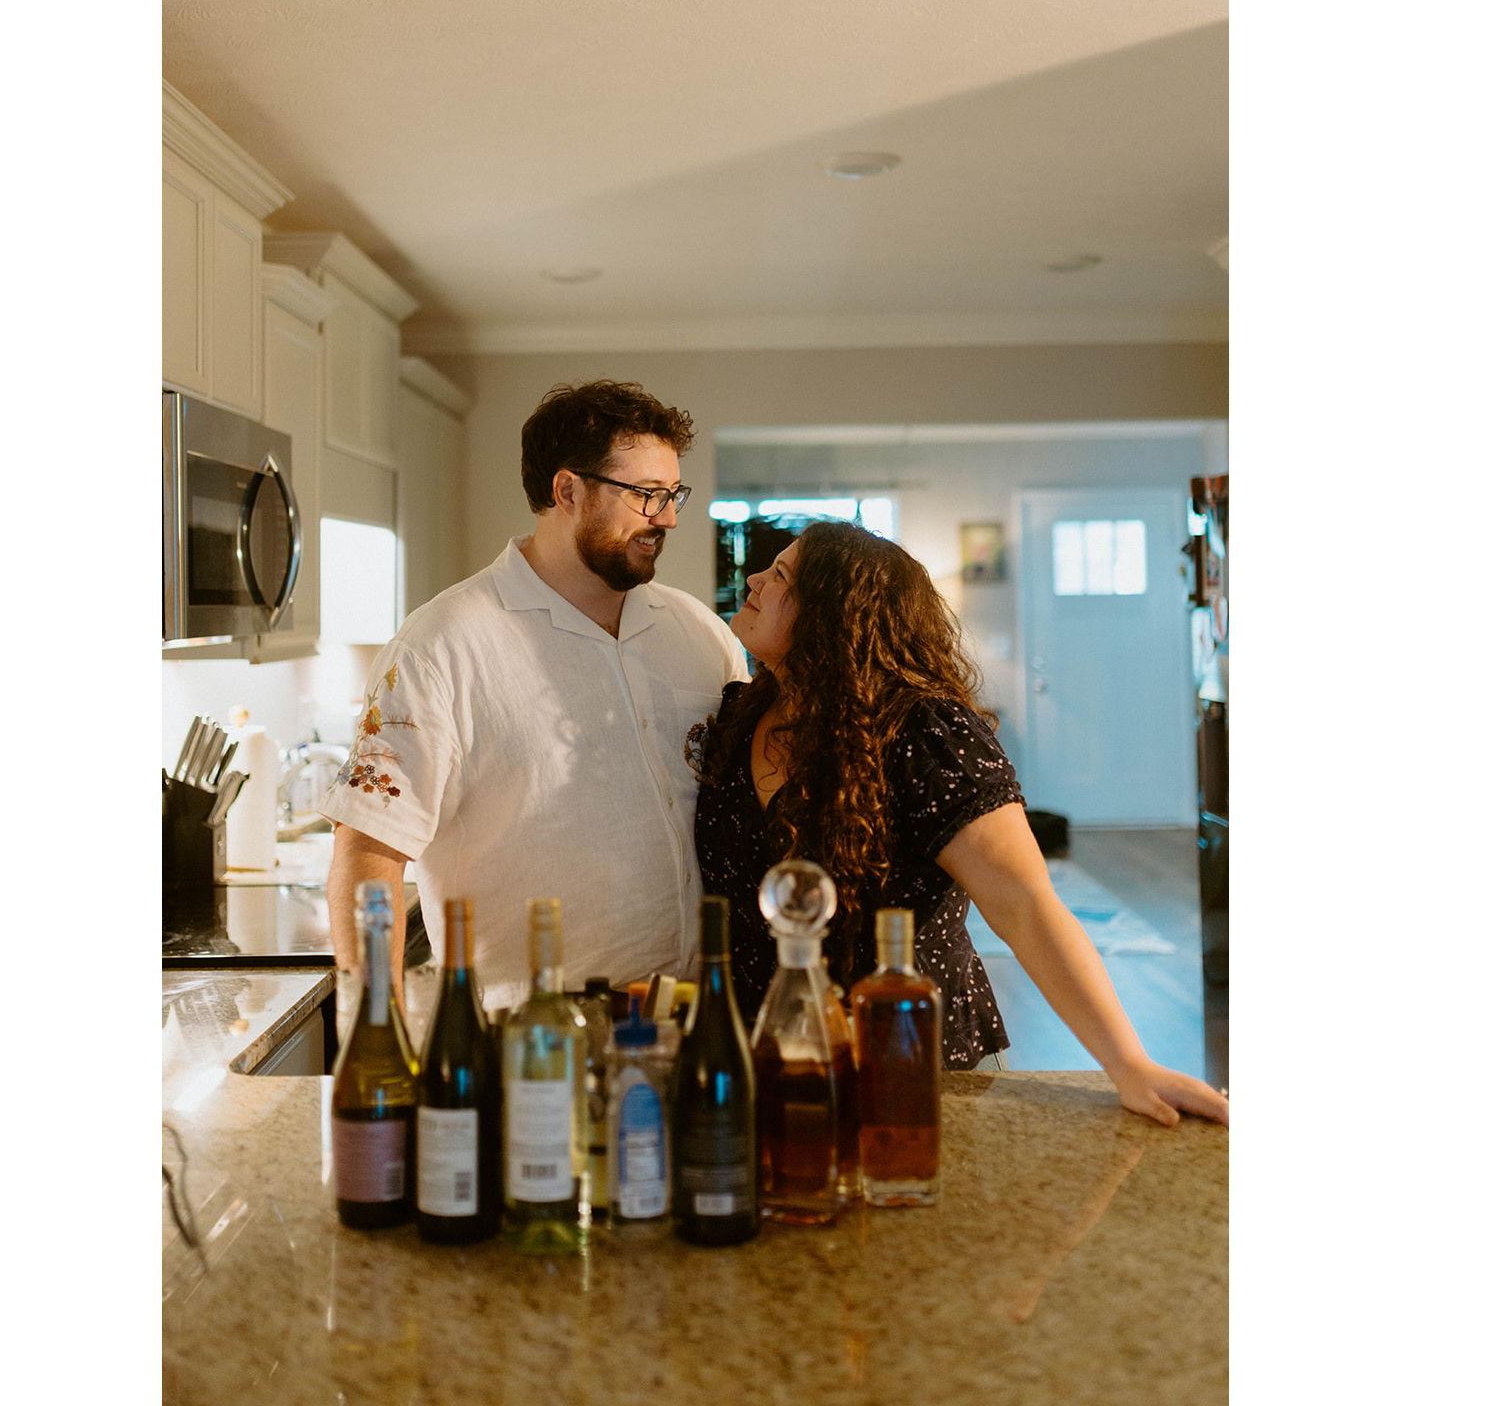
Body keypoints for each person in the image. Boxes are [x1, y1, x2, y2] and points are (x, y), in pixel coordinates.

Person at [693, 520, 1228, 1128]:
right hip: (767, 1061)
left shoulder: (924, 732)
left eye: (781, 576)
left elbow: (1025, 906)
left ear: (832, 617)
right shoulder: (737, 718)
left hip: (919, 1062)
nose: (755, 579)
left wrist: (1130, 1064)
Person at [320, 380, 749, 1008]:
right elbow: (368, 855)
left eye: (673, 494)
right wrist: (373, 1024)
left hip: (695, 1022)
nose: (669, 517)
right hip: (524, 1034)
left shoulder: (699, 634)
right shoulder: (442, 644)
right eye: (646, 495)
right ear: (567, 490)